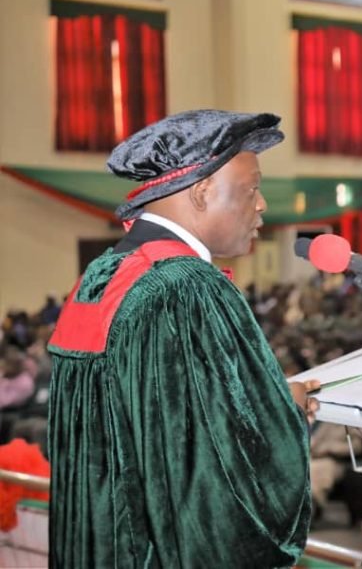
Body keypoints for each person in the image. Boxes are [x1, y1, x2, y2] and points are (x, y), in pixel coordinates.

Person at [47, 111, 318, 568]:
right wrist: (284, 409)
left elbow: (162, 422)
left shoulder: (104, 273)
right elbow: (213, 471)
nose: (262, 205)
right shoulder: (185, 287)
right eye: (251, 189)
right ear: (202, 191)